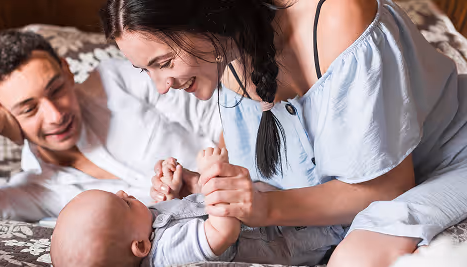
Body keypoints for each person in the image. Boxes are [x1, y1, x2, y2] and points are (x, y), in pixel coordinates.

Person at [99, 0, 467, 266]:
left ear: (207, 17)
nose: (161, 86)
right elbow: (270, 172)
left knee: (355, 259)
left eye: (163, 63)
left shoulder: (337, 17)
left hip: (450, 158)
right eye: (144, 70)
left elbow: (388, 187)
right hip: (382, 190)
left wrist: (264, 208)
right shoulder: (224, 56)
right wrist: (203, 188)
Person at [0, 29, 222, 228]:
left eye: (56, 90)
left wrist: (209, 180)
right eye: (29, 108)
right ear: (8, 119)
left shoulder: (118, 80)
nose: (55, 115)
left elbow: (223, 116)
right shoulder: (34, 189)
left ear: (66, 71)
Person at [51, 148, 344, 266]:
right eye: (124, 203)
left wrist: (175, 192)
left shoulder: (144, 231)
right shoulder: (168, 253)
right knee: (333, 227)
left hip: (269, 206)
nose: (124, 191)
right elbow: (222, 231)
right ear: (139, 246)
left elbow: (181, 214)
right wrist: (212, 173)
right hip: (284, 236)